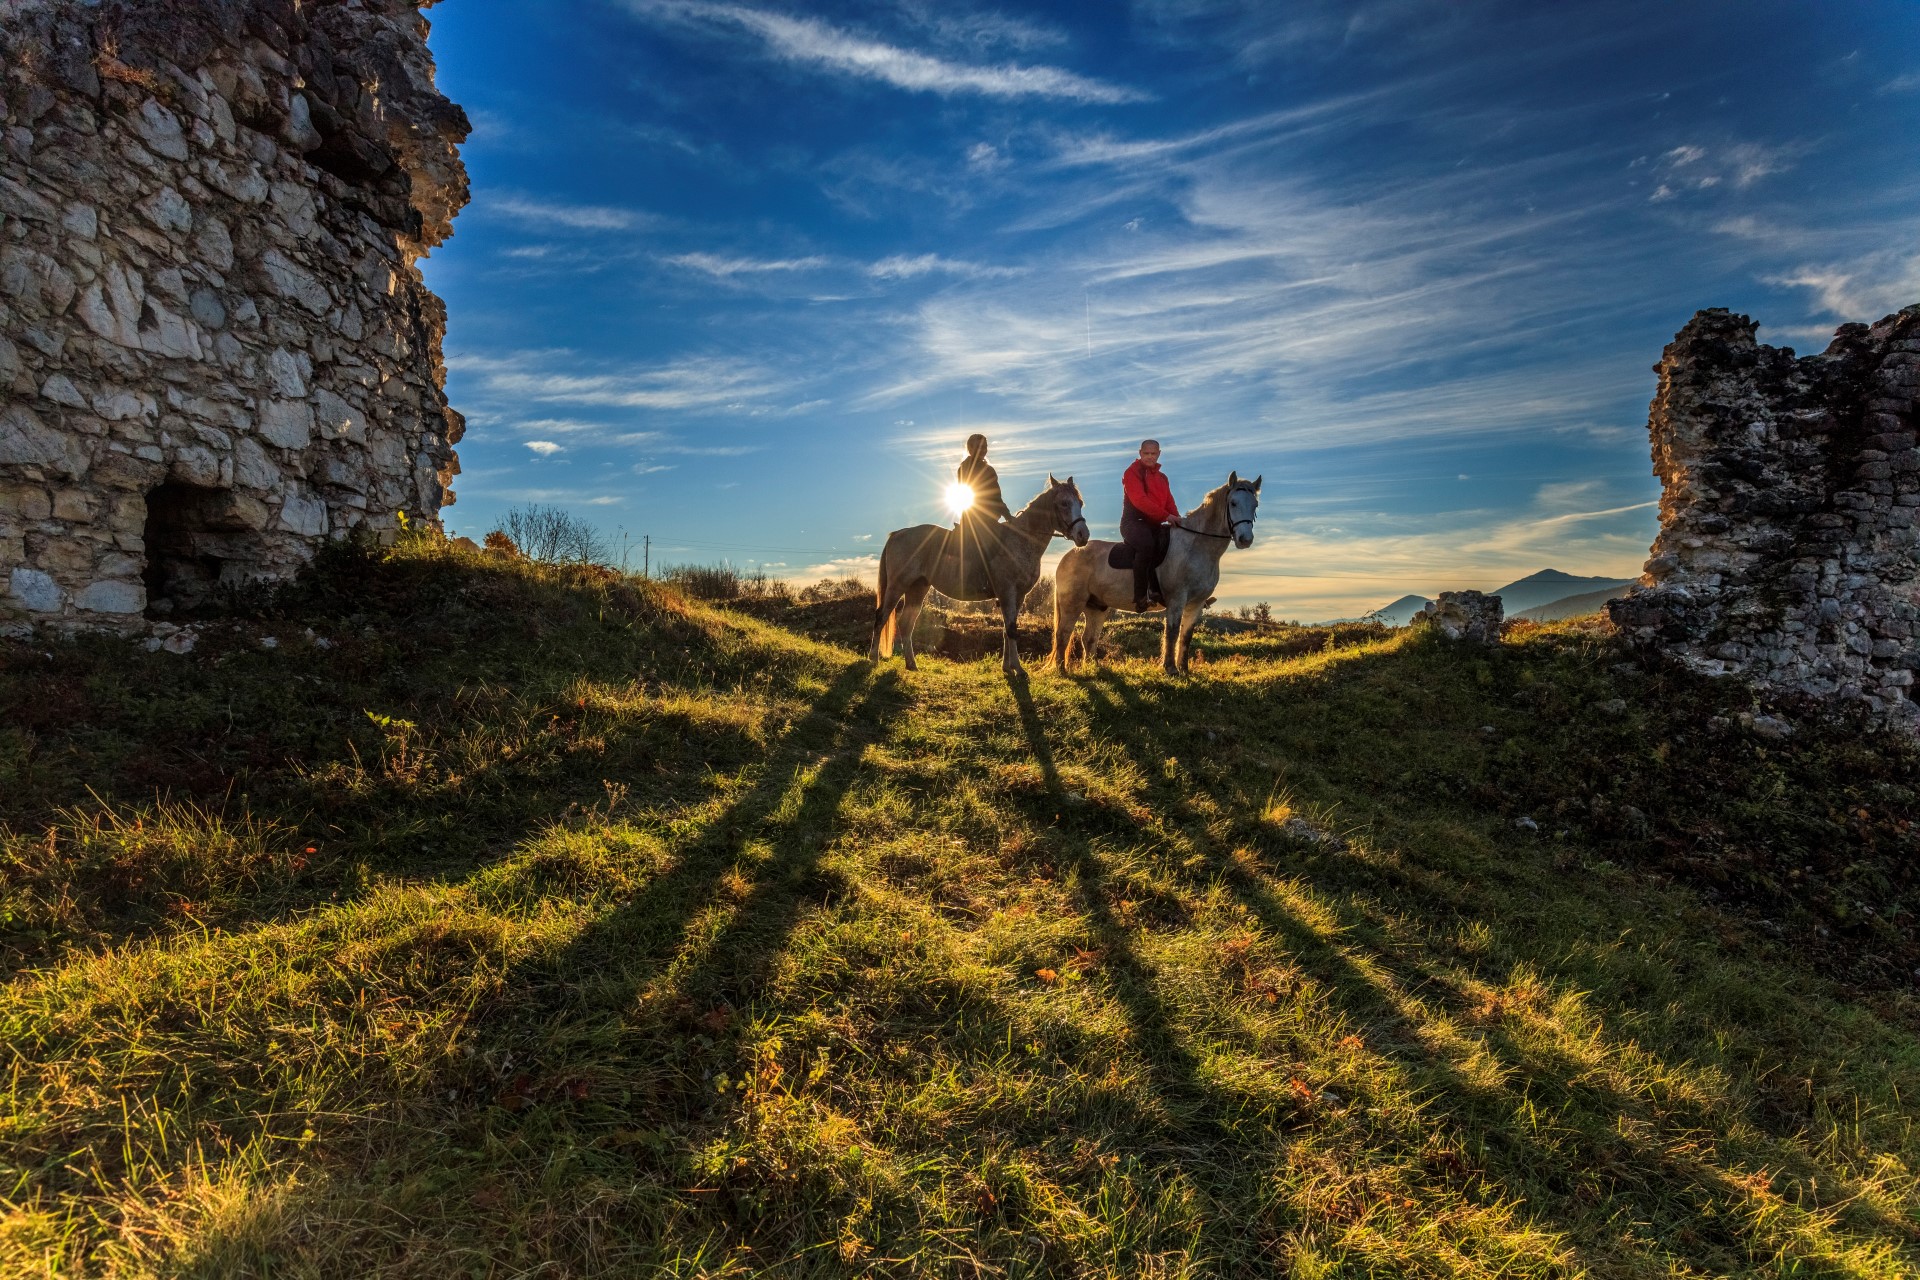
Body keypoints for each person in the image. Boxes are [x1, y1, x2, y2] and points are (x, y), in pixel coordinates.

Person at [1121, 438, 1180, 612]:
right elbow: (1140, 500)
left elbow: (1169, 501)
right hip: (1133, 523)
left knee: (1174, 543)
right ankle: (1141, 596)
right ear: (1140, 453)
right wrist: (1166, 516)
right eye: (1146, 453)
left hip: (1155, 524)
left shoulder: (1162, 478)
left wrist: (1176, 518)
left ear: (1159, 454)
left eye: (1153, 453)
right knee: (1147, 545)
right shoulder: (1132, 472)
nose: (1149, 457)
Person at [956, 433, 1010, 523]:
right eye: (978, 447)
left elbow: (996, 496)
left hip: (980, 518)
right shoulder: (982, 470)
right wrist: (1007, 515)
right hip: (979, 519)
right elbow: (994, 497)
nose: (983, 450)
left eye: (985, 447)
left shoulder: (987, 469)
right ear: (970, 449)